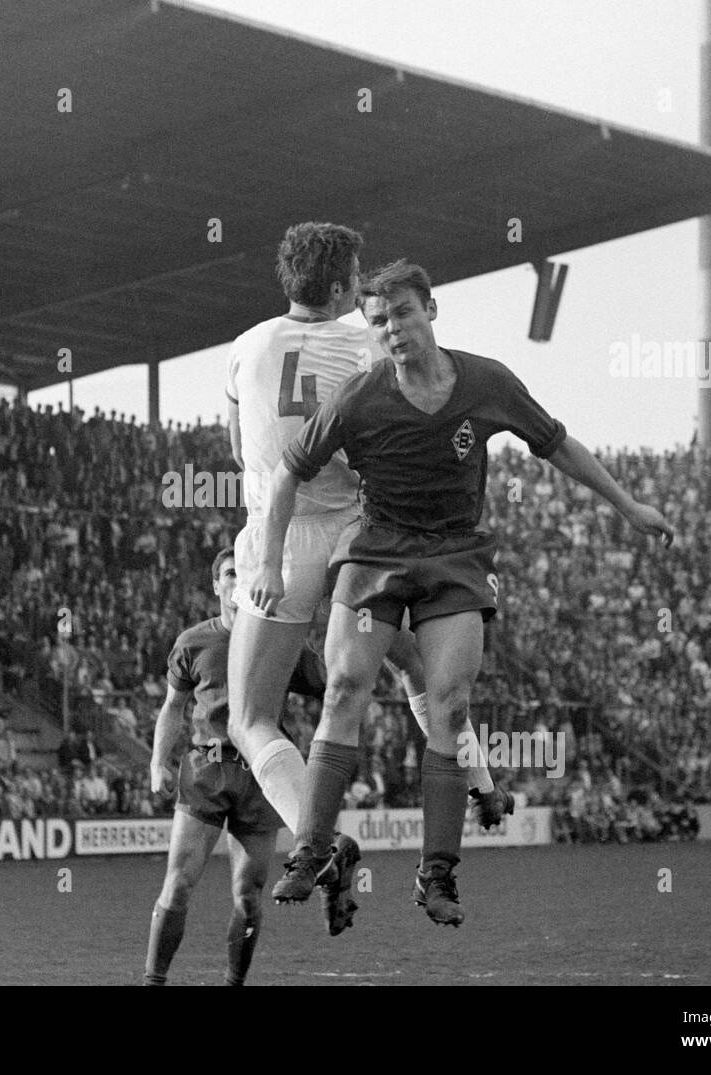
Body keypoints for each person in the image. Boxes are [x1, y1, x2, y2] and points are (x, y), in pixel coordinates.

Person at [251, 259, 673, 926]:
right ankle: (309, 851)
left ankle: (437, 875)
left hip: (453, 556)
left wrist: (627, 506)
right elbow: (285, 475)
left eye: (403, 314)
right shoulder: (359, 396)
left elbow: (556, 444)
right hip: (376, 551)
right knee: (343, 689)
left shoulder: (488, 381)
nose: (393, 329)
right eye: (379, 320)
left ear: (431, 310)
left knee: (449, 703)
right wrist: (269, 563)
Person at [224, 224, 509, 932]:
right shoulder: (372, 343)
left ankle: (314, 839)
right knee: (422, 669)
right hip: (362, 536)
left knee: (252, 717)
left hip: (283, 540)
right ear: (348, 284)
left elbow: (239, 450)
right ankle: (478, 776)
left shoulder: (248, 347)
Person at [144, 548, 329, 987]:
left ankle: (233, 983)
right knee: (179, 884)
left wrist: (306, 625)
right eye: (230, 573)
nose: (238, 580)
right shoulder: (194, 641)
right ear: (216, 585)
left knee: (248, 896)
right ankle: (153, 981)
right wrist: (158, 762)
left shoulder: (280, 643)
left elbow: (326, 682)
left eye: (245, 573)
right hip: (207, 768)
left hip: (261, 773)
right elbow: (173, 708)